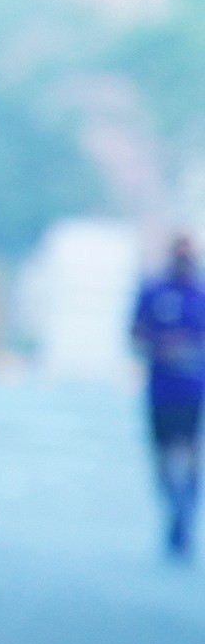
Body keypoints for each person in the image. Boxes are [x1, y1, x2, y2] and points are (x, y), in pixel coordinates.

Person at [129, 234, 205, 564]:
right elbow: (135, 334)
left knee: (188, 454)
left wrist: (189, 349)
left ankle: (185, 516)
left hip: (193, 391)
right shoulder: (153, 292)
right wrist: (161, 346)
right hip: (160, 390)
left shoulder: (200, 295)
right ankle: (172, 508)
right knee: (162, 458)